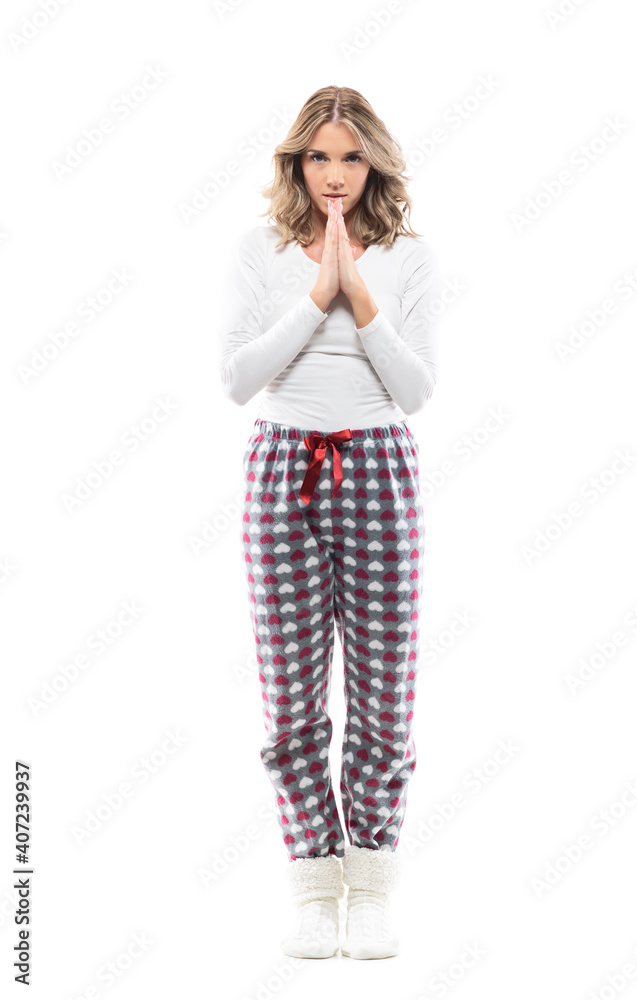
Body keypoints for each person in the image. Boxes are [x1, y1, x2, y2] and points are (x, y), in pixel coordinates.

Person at [219, 85, 442, 960]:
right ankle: (314, 885)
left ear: (374, 162)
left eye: (351, 157)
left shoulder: (409, 257)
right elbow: (238, 381)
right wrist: (319, 294)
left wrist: (361, 293)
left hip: (378, 466)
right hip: (283, 467)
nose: (335, 175)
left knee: (383, 695)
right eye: (318, 156)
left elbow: (416, 392)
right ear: (296, 161)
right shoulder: (260, 250)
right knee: (290, 700)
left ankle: (372, 884)